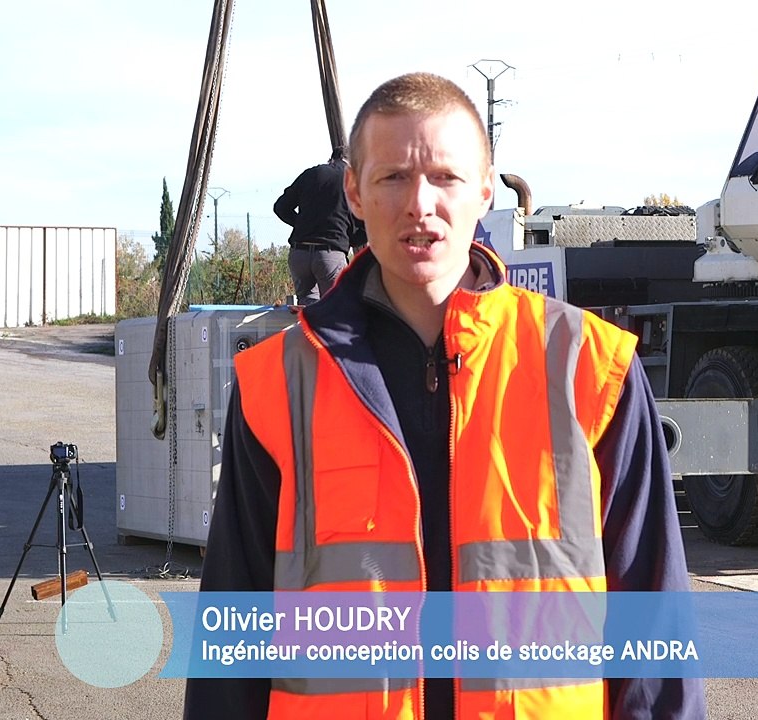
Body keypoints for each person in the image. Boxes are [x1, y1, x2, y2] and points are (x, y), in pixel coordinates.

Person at [184, 72, 706, 720]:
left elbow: (653, 629)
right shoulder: (278, 384)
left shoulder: (592, 370)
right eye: (394, 177)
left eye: (445, 178)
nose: (420, 204)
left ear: (485, 190)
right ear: (355, 192)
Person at [273, 147, 367, 304]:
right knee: (336, 307)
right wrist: (346, 239)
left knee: (308, 307)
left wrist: (303, 226)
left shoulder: (310, 174)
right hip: (330, 255)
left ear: (332, 159)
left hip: (299, 254)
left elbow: (280, 207)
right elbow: (368, 226)